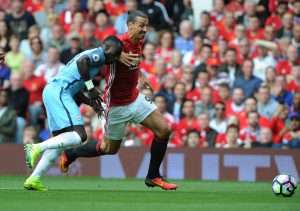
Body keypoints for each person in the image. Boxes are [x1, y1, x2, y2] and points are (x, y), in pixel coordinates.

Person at [59, 10, 178, 190]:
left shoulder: (138, 43)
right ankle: (71, 153)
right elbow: (102, 48)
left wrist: (141, 75)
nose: (145, 29)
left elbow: (134, 62)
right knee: (109, 149)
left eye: (147, 25)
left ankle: (153, 175)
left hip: (135, 98)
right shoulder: (117, 43)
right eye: (141, 25)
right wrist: (115, 56)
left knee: (164, 130)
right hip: (116, 105)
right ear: (130, 25)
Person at [23, 35, 124, 191]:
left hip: (55, 91)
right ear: (107, 47)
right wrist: (91, 89)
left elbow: (76, 91)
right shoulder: (98, 54)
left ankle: (33, 179)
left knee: (59, 143)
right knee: (80, 135)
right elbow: (81, 62)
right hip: (59, 91)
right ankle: (36, 147)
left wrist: (92, 102)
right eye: (116, 52)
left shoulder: (95, 64)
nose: (116, 57)